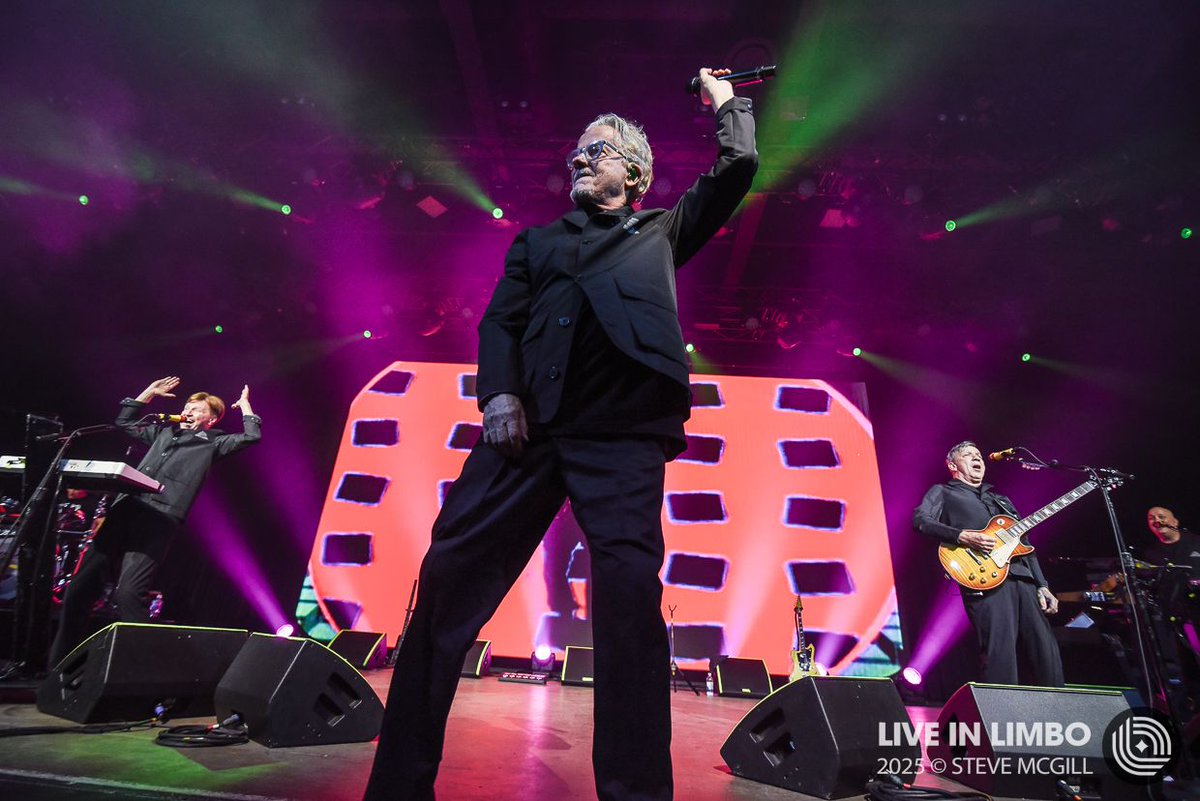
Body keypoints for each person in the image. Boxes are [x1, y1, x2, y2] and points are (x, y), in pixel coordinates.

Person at [363, 68, 757, 801]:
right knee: (446, 583)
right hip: (527, 429)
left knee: (631, 600)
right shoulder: (537, 243)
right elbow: (500, 322)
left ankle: (636, 792)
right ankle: (397, 785)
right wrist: (500, 392)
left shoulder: (663, 229)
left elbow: (739, 167)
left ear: (635, 172)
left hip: (623, 436)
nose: (579, 158)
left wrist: (725, 100)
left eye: (598, 150)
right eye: (576, 152)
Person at [48, 376, 261, 665]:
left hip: (160, 517)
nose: (189, 411)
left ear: (210, 419)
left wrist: (246, 406)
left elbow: (251, 436)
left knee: (129, 593)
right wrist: (148, 392)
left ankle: (144, 668)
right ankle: (59, 666)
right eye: (188, 405)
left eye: (198, 409)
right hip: (127, 508)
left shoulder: (213, 442)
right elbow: (124, 421)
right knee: (79, 587)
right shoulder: (162, 433)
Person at [913, 440, 1064, 687]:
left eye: (979, 456)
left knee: (1046, 649)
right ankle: (1001, 716)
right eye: (969, 455)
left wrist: (1042, 585)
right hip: (985, 577)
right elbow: (920, 520)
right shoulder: (942, 491)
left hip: (1023, 578)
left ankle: (1062, 706)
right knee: (999, 650)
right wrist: (960, 535)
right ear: (953, 465)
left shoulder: (1000, 499)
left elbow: (1024, 542)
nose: (977, 459)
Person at [1144, 507, 1200, 578]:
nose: (1157, 520)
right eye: (1151, 518)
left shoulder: (1196, 541)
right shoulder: (1151, 554)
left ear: (1175, 522)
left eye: (1161, 517)